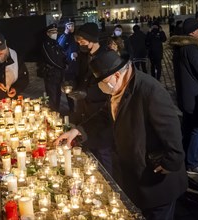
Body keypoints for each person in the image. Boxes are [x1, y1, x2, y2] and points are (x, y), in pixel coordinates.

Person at [55, 50, 188, 220]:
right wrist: (78, 130)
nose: (102, 87)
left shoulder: (150, 90)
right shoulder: (118, 89)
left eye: (103, 81)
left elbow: (172, 130)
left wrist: (171, 161)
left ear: (117, 75)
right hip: (134, 173)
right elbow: (105, 116)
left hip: (157, 178)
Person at [72, 22, 115, 175]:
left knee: (103, 152)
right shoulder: (84, 56)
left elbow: (110, 88)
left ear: (92, 39)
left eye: (82, 41)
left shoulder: (105, 57)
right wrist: (71, 84)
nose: (79, 44)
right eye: (78, 41)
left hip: (101, 111)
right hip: (85, 109)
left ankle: (110, 182)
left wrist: (88, 93)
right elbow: (79, 75)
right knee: (91, 148)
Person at [169, 18, 198, 174]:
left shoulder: (180, 48)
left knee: (188, 128)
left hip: (185, 96)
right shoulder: (192, 48)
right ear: (193, 31)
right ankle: (192, 163)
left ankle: (183, 158)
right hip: (195, 97)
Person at [41, 23, 67, 112]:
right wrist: (62, 66)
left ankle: (57, 111)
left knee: (58, 94)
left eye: (56, 31)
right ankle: (53, 113)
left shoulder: (55, 43)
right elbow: (50, 59)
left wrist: (66, 62)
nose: (55, 33)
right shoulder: (46, 44)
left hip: (58, 74)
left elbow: (62, 54)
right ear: (48, 33)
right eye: (52, 32)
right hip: (51, 74)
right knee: (52, 96)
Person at [58, 18, 79, 112]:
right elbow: (59, 46)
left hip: (77, 66)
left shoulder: (77, 36)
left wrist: (77, 53)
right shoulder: (63, 36)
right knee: (68, 87)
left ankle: (79, 107)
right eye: (69, 26)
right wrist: (65, 34)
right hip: (68, 66)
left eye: (72, 25)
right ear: (66, 27)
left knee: (78, 86)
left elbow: (83, 47)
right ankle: (71, 108)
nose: (71, 28)